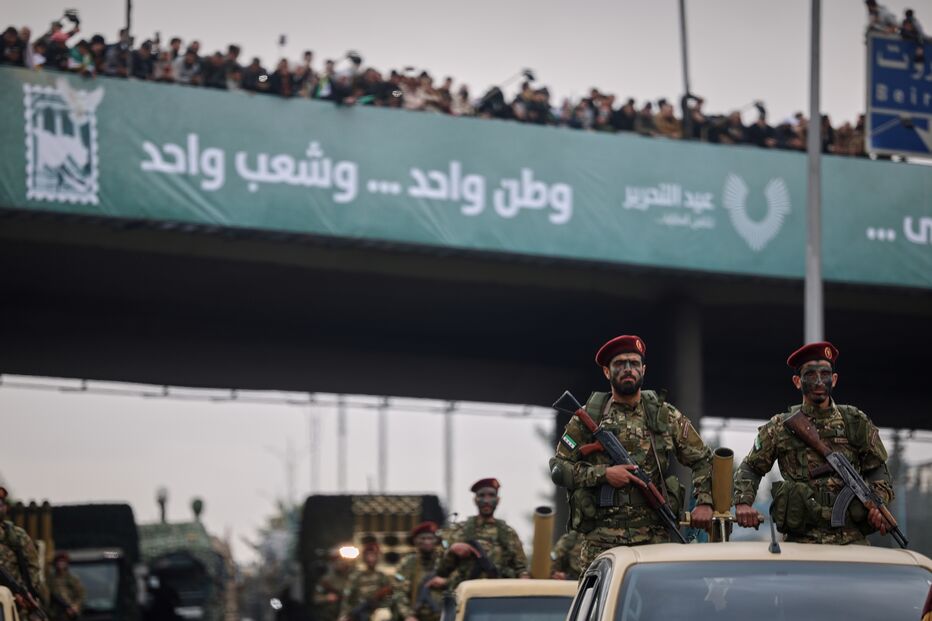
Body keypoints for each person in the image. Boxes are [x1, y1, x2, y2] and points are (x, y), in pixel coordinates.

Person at [550, 335, 713, 570]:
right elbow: (558, 469)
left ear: (643, 370)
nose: (628, 369)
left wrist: (704, 502)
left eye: (634, 363)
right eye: (620, 363)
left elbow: (703, 459)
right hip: (601, 541)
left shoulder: (664, 415)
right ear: (607, 372)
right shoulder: (589, 417)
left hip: (653, 538)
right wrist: (604, 474)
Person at [733, 341, 894, 544]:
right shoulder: (780, 427)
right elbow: (751, 467)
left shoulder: (855, 421)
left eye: (825, 374)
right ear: (797, 381)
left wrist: (878, 503)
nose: (819, 381)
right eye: (810, 374)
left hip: (851, 540)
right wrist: (743, 502)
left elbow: (877, 469)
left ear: (834, 380)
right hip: (801, 541)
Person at [436, 479, 528, 587]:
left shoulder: (508, 533)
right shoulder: (459, 531)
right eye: (482, 495)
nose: (486, 500)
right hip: (467, 594)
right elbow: (440, 571)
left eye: (491, 495)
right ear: (475, 500)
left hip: (500, 592)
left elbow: (522, 569)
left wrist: (524, 580)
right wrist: (452, 550)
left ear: (498, 500)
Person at [0, 487, 49, 618]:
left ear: (5, 508)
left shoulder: (17, 535)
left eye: (0, 504)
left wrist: (24, 593)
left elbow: (33, 567)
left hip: (16, 605)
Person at [393, 522, 444, 621]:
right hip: (416, 617)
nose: (427, 542)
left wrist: (445, 581)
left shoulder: (444, 561)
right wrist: (408, 615)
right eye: (423, 538)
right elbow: (399, 591)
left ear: (436, 540)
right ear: (415, 541)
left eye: (430, 538)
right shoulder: (407, 563)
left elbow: (459, 581)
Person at [338, 539, 391, 621]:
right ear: (364, 557)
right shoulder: (356, 576)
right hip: (359, 610)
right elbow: (347, 597)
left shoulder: (381, 576)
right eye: (368, 555)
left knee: (384, 614)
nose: (371, 558)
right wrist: (345, 614)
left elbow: (388, 595)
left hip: (376, 611)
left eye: (373, 555)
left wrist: (379, 605)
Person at [313, 550, 354, 621]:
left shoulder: (351, 578)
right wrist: (326, 598)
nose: (340, 563)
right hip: (329, 615)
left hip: (347, 615)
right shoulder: (326, 579)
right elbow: (316, 599)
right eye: (338, 561)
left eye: (342, 561)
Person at [47, 552, 84, 621]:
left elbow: (80, 595)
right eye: (58, 561)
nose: (60, 564)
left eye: (63, 561)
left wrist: (75, 606)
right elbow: (48, 595)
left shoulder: (72, 578)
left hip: (70, 611)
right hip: (55, 613)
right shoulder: (50, 579)